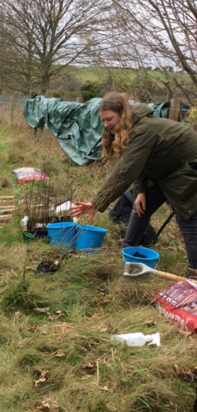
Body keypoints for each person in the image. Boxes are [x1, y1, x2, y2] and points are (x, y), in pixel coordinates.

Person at [71, 92, 197, 275]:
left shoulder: (142, 130)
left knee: (187, 215)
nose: (106, 125)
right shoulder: (131, 129)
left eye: (109, 119)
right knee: (141, 205)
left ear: (123, 114)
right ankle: (129, 248)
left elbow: (125, 171)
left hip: (189, 168)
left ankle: (194, 272)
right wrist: (140, 191)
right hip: (166, 169)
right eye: (103, 121)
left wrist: (97, 202)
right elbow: (139, 165)